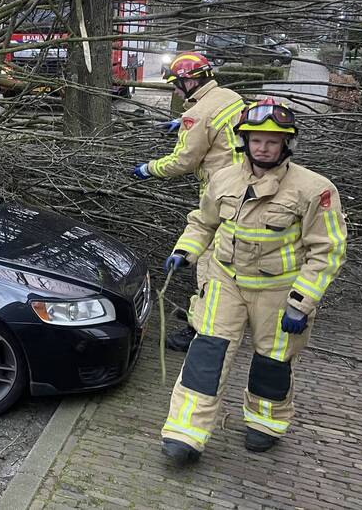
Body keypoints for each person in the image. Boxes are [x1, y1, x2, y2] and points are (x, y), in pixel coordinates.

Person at [159, 99, 347, 465]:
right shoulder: (224, 177)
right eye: (256, 140)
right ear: (244, 141)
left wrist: (302, 301)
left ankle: (266, 423)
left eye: (272, 142)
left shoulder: (314, 189)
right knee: (206, 356)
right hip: (225, 282)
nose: (262, 148)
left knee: (272, 362)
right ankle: (185, 433)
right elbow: (204, 222)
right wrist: (185, 251)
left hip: (279, 292)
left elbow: (327, 251)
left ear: (286, 145)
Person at [132, 52, 245, 352]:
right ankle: (208, 311)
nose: (175, 90)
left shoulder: (199, 114)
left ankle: (200, 328)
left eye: (177, 84)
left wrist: (148, 169)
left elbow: (183, 161)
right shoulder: (229, 96)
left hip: (220, 193)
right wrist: (181, 121)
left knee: (208, 263)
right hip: (243, 186)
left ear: (192, 80)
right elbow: (212, 118)